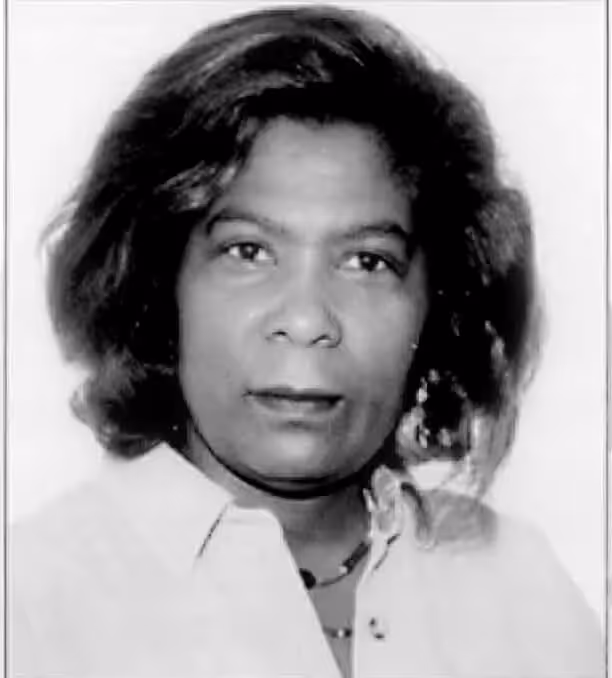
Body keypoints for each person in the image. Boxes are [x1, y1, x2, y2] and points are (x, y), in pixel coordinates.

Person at [9, 5, 603, 678]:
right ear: (160, 286)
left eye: (367, 261)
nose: (307, 318)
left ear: (437, 310)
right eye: (248, 251)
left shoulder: (520, 585)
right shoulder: (32, 605)